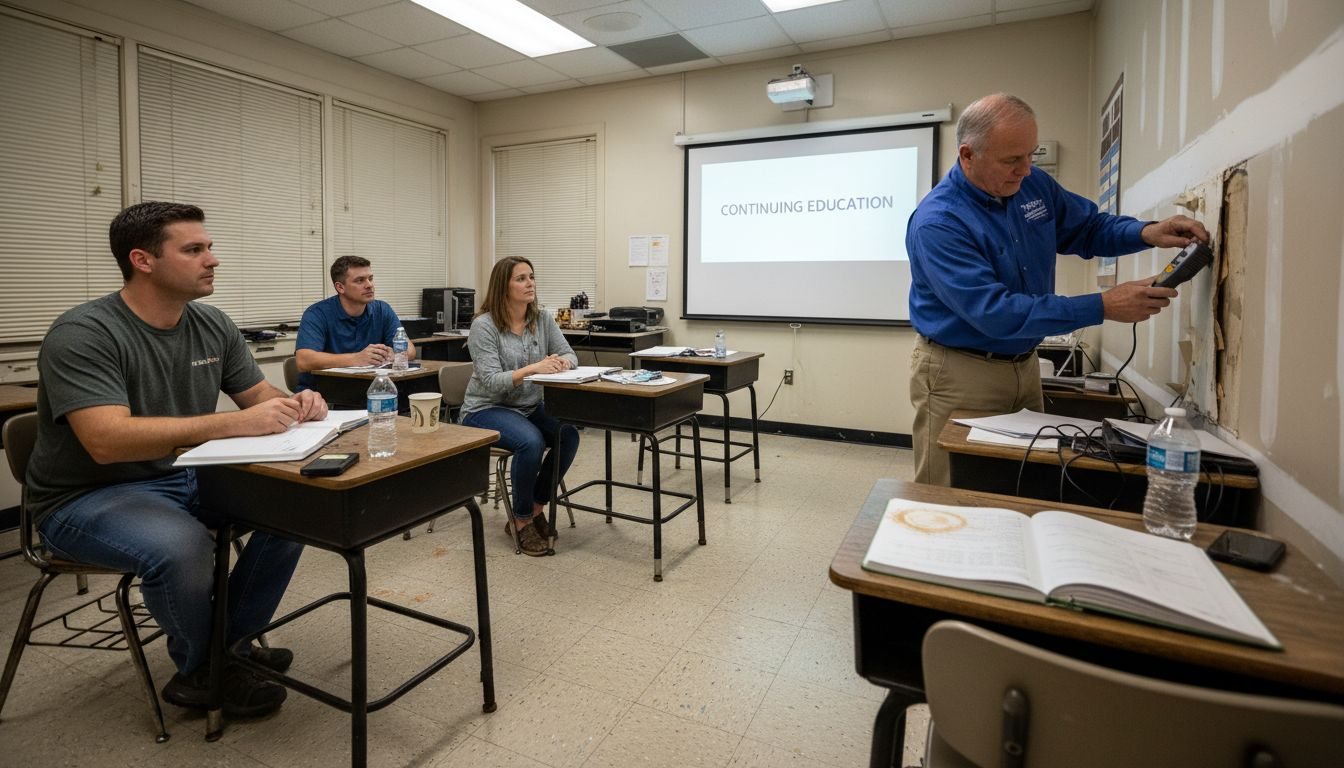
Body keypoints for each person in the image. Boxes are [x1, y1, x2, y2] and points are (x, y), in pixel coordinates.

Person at [28, 201, 329, 718]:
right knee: (183, 546)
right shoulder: (84, 333)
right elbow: (107, 441)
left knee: (300, 509)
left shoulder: (211, 323)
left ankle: (224, 651)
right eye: (194, 250)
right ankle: (201, 671)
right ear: (142, 260)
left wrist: (299, 404)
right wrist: (229, 423)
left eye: (209, 247)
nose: (212, 259)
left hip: (183, 476)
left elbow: (256, 398)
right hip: (86, 496)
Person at [906, 93, 1210, 485]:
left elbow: (1088, 228)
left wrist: (1147, 232)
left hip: (1023, 366)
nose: (1026, 170)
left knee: (1022, 481)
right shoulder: (939, 223)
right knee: (950, 491)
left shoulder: (1033, 187)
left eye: (1030, 154)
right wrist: (1103, 306)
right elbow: (996, 313)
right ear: (968, 155)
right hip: (959, 372)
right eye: (1012, 160)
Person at [460, 257, 580, 557]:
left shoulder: (542, 319)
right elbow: (489, 381)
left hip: (528, 406)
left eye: (532, 277)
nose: (530, 284)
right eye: (521, 279)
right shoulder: (483, 326)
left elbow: (570, 354)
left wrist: (563, 362)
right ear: (504, 286)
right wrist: (533, 368)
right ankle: (523, 519)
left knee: (569, 434)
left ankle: (534, 508)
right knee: (531, 441)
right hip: (484, 409)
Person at [293, 255, 416, 391]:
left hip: (371, 390)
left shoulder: (382, 310)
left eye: (370, 278)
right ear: (340, 287)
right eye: (360, 280)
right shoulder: (317, 314)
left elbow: (410, 350)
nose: (369, 285)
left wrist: (393, 355)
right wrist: (357, 358)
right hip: (325, 396)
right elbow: (304, 361)